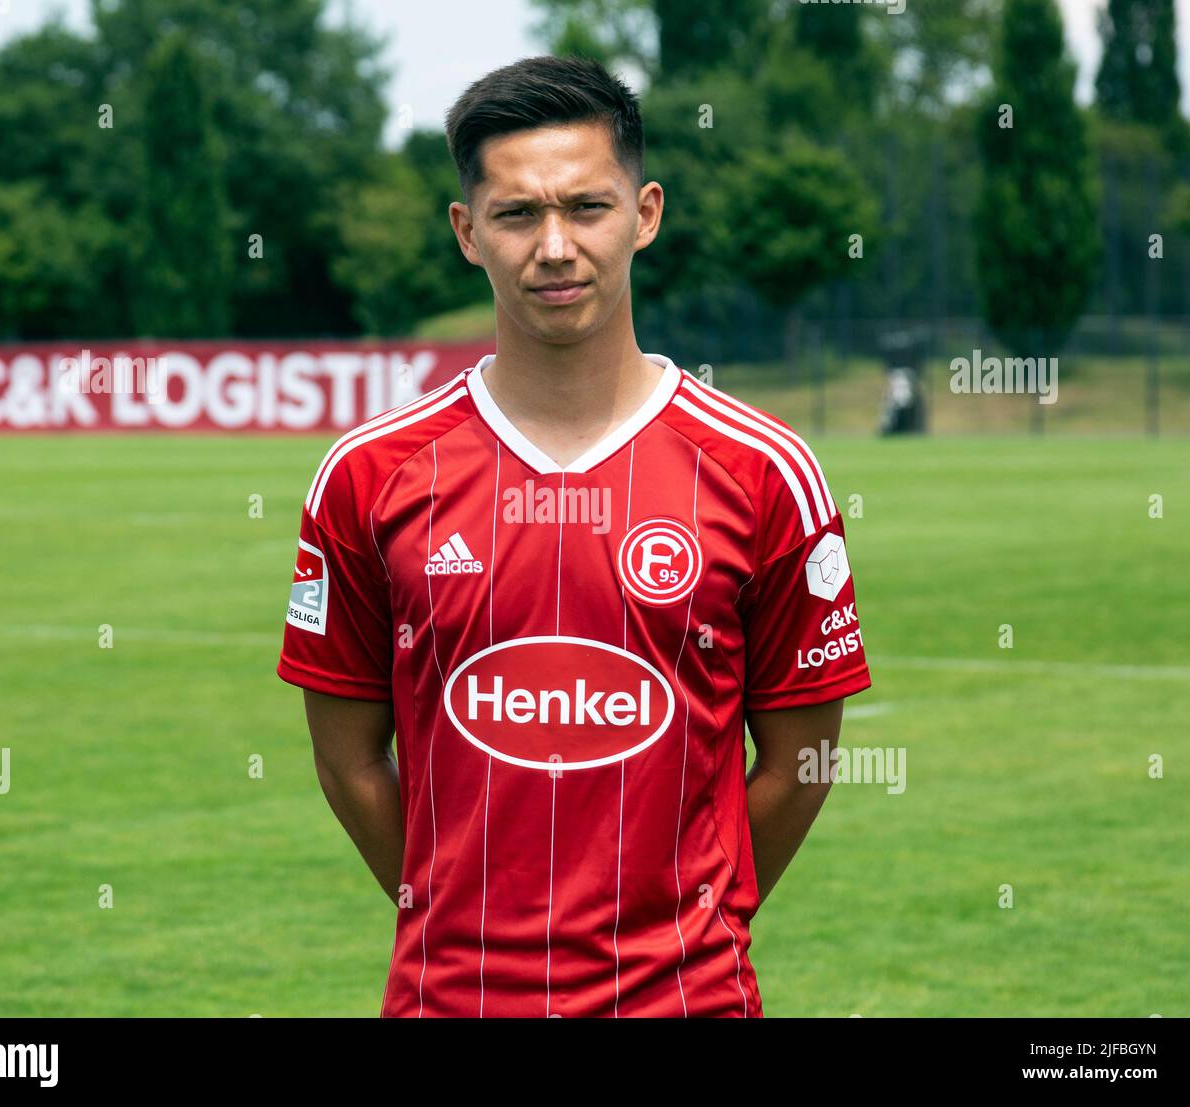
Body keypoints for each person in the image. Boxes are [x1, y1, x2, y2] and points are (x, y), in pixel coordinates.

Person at [276, 54, 871, 1018]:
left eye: (587, 208)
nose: (555, 247)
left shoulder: (765, 471)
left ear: (644, 213)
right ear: (469, 233)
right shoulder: (369, 474)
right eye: (517, 215)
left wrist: (681, 920)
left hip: (686, 998)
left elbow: (805, 760)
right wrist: (461, 917)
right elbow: (347, 759)